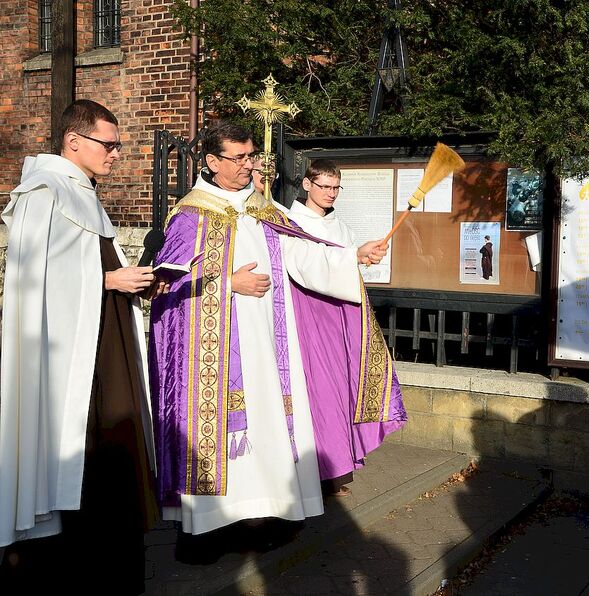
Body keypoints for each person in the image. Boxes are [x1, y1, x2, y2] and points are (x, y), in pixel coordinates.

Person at [150, 122, 400, 560]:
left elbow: (302, 255)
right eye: (239, 158)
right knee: (221, 440)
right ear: (211, 162)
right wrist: (228, 283)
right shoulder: (190, 216)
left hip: (271, 346)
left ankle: (264, 519)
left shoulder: (265, 210)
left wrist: (352, 256)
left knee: (270, 432)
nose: (249, 166)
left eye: (251, 157)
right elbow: (166, 285)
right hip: (215, 357)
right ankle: (205, 531)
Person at [0, 100, 162, 593]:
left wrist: (130, 282)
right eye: (108, 144)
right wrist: (109, 279)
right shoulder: (43, 193)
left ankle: (107, 562)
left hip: (103, 344)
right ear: (74, 141)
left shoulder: (83, 193)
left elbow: (87, 269)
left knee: (111, 451)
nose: (116, 153)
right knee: (80, 451)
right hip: (65, 356)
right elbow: (29, 281)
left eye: (117, 145)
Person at [285, 158, 406, 497]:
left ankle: (341, 464)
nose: (331, 193)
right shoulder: (291, 222)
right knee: (319, 391)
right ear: (307, 184)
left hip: (343, 317)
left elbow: (348, 264)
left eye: (336, 187)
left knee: (344, 388)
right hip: (312, 317)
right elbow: (305, 264)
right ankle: (321, 471)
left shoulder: (340, 225)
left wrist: (364, 257)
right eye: (324, 186)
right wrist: (353, 255)